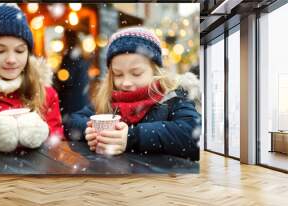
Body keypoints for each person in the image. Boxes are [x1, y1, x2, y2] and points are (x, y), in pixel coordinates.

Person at [64, 27, 201, 160]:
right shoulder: (109, 99)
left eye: (136, 73)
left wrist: (131, 136)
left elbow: (193, 133)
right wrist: (90, 131)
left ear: (155, 71)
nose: (125, 83)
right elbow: (72, 122)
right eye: (118, 74)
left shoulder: (172, 97)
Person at [0, 5, 63, 153]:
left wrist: (43, 133)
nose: (11, 59)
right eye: (0, 51)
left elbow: (57, 142)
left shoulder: (47, 94)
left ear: (28, 52)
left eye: (20, 50)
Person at [53, 29, 91, 122]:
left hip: (70, 101)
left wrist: (55, 75)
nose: (62, 39)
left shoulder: (70, 56)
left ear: (68, 39)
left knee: (72, 127)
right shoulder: (80, 54)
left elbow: (67, 79)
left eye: (63, 37)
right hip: (80, 99)